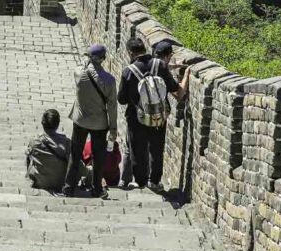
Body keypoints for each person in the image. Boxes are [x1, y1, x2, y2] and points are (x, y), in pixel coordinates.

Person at [118, 37, 189, 193]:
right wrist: (187, 74)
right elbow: (175, 89)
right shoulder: (160, 65)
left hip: (136, 117)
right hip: (158, 116)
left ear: (130, 53)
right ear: (145, 48)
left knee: (137, 148)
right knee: (157, 149)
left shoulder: (128, 71)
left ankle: (140, 181)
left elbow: (121, 100)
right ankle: (154, 181)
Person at [62, 43, 117, 199]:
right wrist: (113, 128)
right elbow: (112, 106)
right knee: (99, 157)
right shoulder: (109, 80)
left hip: (80, 120)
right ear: (103, 59)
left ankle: (68, 187)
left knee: (75, 153)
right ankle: (97, 189)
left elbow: (82, 65)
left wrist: (87, 60)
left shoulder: (79, 73)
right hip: (99, 123)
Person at [25, 109, 70, 191]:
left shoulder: (34, 141)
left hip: (41, 182)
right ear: (58, 124)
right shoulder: (66, 142)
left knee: (28, 154)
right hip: (60, 182)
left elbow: (28, 159)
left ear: (42, 123)